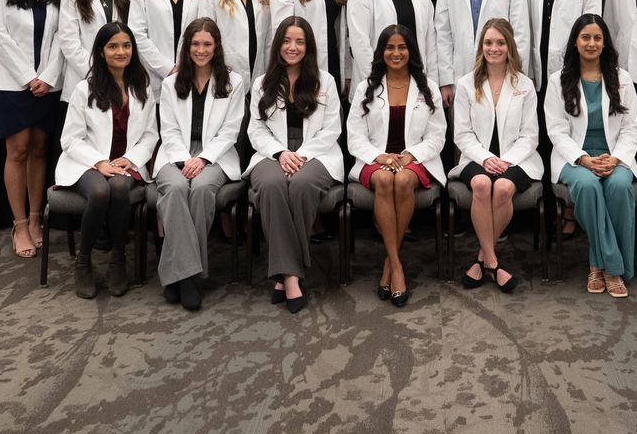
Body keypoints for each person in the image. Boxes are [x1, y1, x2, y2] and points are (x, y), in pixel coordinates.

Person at [246, 17, 342, 313]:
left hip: (316, 155)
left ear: (309, 46)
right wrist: (280, 153)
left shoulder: (325, 81)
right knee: (273, 184)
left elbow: (331, 129)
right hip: (271, 155)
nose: (293, 47)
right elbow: (256, 130)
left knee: (300, 184)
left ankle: (284, 273)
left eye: (300, 41)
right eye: (287, 40)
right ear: (277, 45)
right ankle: (292, 275)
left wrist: (300, 155)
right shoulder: (262, 83)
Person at [55, 22, 157, 299]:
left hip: (126, 164)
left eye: (126, 45)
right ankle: (84, 262)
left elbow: (150, 136)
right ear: (101, 52)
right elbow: (71, 140)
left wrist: (129, 158)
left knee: (120, 188)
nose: (121, 51)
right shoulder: (83, 89)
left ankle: (117, 260)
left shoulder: (142, 86)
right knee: (101, 191)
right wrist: (99, 162)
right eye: (112, 46)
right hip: (87, 164)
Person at [347, 24, 446, 307]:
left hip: (414, 158)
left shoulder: (427, 88)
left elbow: (437, 135)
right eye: (390, 47)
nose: (396, 52)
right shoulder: (366, 88)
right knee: (384, 180)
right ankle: (397, 266)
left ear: (411, 51)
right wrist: (379, 157)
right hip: (375, 158)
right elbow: (354, 136)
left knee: (402, 180)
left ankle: (389, 266)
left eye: (402, 47)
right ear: (381, 52)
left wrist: (410, 155)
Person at [153, 18, 246, 311]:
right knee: (177, 187)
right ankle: (190, 277)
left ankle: (176, 276)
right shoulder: (170, 83)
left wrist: (203, 159)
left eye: (207, 44)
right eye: (195, 44)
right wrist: (184, 159)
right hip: (174, 154)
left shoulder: (234, 82)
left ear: (216, 46)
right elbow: (167, 130)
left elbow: (231, 131)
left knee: (204, 188)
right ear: (187, 47)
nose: (201, 50)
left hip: (215, 155)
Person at [545, 13, 637, 298]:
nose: (591, 43)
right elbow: (557, 131)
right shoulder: (557, 81)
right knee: (586, 186)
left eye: (597, 38)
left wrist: (616, 158)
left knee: (620, 186)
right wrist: (584, 159)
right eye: (585, 37)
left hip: (614, 156)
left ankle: (598, 265)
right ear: (575, 42)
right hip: (573, 158)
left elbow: (631, 126)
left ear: (605, 43)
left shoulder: (621, 79)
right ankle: (611, 267)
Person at [0, 0, 64, 259]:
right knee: (17, 149)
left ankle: (36, 219)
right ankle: (18, 225)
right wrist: (28, 76)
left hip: (47, 84)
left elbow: (64, 36)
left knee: (39, 148)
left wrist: (46, 76)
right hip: (11, 83)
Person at [450, 19, 542, 293]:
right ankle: (493, 261)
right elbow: (462, 135)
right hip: (476, 158)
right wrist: (485, 158)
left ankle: (481, 258)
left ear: (510, 46)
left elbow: (530, 135)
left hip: (517, 159)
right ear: (481, 47)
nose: (494, 48)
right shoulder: (466, 84)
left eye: (500, 43)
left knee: (502, 188)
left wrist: (507, 161)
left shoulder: (524, 85)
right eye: (488, 43)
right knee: (481, 184)